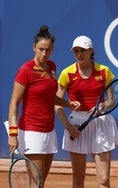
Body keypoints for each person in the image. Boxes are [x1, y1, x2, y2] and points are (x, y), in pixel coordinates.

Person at [7, 25, 80, 188]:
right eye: (40, 49)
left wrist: (68, 104)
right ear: (34, 47)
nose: (44, 54)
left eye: (48, 50)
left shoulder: (52, 67)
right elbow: (13, 104)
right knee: (36, 184)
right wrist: (13, 133)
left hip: (49, 131)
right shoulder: (25, 71)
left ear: (52, 50)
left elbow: (49, 98)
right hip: (32, 132)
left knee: (40, 183)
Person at [55, 35, 118, 188]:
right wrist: (69, 127)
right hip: (76, 124)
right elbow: (57, 103)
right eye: (76, 51)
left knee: (104, 179)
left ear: (91, 50)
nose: (79, 54)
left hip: (101, 124)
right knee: (78, 179)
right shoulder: (67, 73)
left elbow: (111, 100)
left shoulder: (104, 71)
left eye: (83, 50)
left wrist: (103, 106)